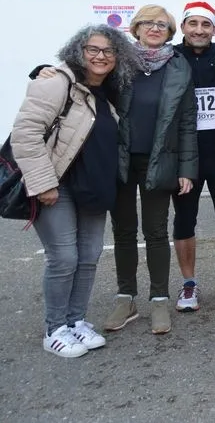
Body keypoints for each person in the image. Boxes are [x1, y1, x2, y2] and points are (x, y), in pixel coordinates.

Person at [12, 25, 137, 357]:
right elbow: (25, 135)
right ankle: (54, 329)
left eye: (108, 51)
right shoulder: (56, 82)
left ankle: (76, 321)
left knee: (89, 256)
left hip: (93, 187)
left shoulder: (108, 89)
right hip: (58, 185)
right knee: (64, 258)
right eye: (92, 49)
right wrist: (44, 184)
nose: (100, 56)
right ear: (78, 51)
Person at [104, 5, 198, 336]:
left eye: (162, 24)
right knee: (123, 230)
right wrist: (47, 70)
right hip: (120, 157)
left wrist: (187, 169)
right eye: (148, 23)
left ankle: (159, 299)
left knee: (156, 232)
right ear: (136, 28)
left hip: (161, 159)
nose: (155, 28)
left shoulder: (178, 66)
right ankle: (126, 298)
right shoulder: (118, 61)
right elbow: (86, 78)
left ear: (170, 32)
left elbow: (187, 120)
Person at [171, 2, 215, 311]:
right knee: (184, 219)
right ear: (183, 27)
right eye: (193, 23)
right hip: (184, 154)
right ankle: (188, 284)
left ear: (214, 29)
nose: (199, 30)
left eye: (205, 24)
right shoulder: (170, 56)